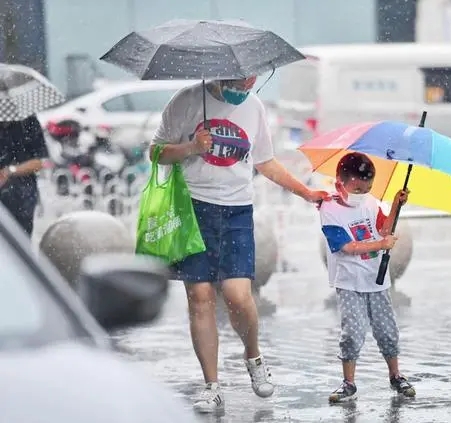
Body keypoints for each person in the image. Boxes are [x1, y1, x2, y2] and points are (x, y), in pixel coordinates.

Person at [151, 76, 329, 413]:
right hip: (191, 210)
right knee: (200, 298)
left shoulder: (253, 105)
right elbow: (155, 152)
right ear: (222, 71)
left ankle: (253, 356)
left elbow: (265, 162)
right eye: (242, 77)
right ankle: (211, 385)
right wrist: (191, 148)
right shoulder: (186, 101)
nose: (248, 83)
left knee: (237, 295)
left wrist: (306, 192)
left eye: (253, 77)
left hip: (236, 211)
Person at [318, 152, 416, 403]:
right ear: (341, 181)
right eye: (358, 187)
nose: (363, 192)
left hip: (376, 280)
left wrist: (395, 204)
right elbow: (346, 247)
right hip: (349, 282)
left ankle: (395, 375)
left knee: (387, 330)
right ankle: (348, 382)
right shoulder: (329, 208)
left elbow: (385, 228)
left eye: (368, 188)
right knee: (352, 331)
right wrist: (380, 244)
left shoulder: (370, 202)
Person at [0, 113, 49, 238]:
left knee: (21, 243)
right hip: (19, 198)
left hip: (22, 199)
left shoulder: (28, 120)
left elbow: (39, 162)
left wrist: (9, 171)